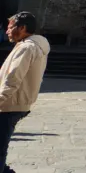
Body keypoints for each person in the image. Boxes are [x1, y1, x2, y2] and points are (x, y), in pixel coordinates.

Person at [0, 12, 49, 173]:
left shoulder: (27, 48)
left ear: (22, 28)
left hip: (9, 104)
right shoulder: (31, 45)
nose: (7, 31)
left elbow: (13, 79)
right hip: (16, 103)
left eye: (10, 27)